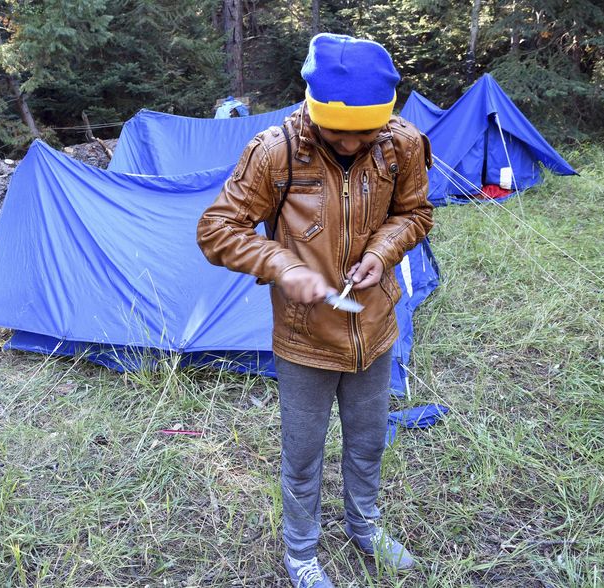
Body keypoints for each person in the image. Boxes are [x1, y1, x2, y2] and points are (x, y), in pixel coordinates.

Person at [197, 33, 434, 588]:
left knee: (369, 439)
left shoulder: (401, 144)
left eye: (364, 133)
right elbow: (216, 230)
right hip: (304, 340)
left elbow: (416, 214)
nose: (352, 144)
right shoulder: (274, 150)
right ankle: (301, 553)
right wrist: (281, 264)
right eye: (338, 132)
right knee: (303, 456)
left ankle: (364, 526)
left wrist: (381, 253)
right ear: (312, 106)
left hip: (374, 328)